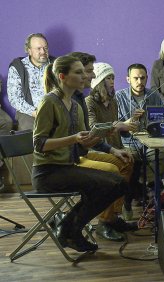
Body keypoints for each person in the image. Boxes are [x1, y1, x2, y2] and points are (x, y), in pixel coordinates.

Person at [33, 55, 127, 252]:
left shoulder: (75, 106)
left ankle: (67, 227)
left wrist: (104, 133)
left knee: (119, 184)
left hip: (67, 167)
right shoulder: (48, 102)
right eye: (79, 72)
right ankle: (71, 230)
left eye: (84, 72)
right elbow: (39, 144)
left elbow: (82, 144)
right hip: (47, 173)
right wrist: (74, 139)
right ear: (62, 77)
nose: (85, 76)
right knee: (107, 185)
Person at [68, 53, 136, 241]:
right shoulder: (84, 101)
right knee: (113, 171)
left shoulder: (106, 101)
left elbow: (93, 133)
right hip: (81, 154)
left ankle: (113, 216)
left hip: (90, 149)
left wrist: (117, 142)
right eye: (108, 78)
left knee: (127, 160)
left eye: (113, 77)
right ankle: (105, 220)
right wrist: (117, 127)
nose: (113, 81)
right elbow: (91, 131)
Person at [116, 63, 164, 185]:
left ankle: (150, 187)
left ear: (147, 78)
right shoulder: (119, 97)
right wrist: (128, 122)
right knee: (129, 158)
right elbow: (113, 124)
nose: (139, 81)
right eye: (135, 78)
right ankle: (140, 189)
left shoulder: (154, 96)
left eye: (142, 78)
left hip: (151, 143)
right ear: (128, 79)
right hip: (128, 144)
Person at [7, 33, 54, 130]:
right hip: (29, 112)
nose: (43, 51)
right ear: (29, 51)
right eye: (38, 48)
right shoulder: (18, 67)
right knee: (30, 133)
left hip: (54, 108)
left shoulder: (56, 65)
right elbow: (14, 98)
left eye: (45, 48)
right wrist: (35, 112)